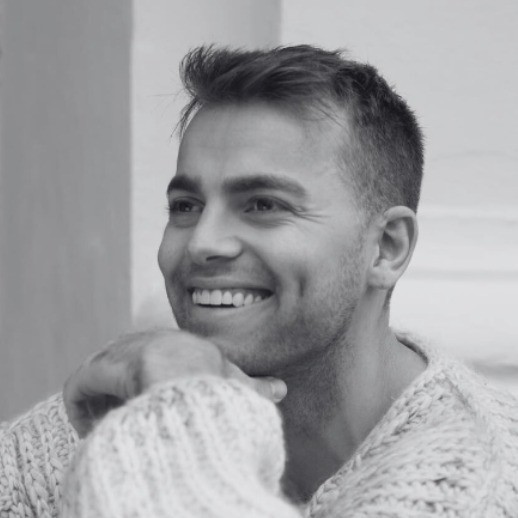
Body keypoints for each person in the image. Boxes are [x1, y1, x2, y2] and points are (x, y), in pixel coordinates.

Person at [1, 45, 517, 517]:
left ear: (387, 247)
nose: (202, 242)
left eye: (263, 205)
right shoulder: (86, 432)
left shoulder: (477, 486)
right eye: (186, 206)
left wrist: (173, 436)